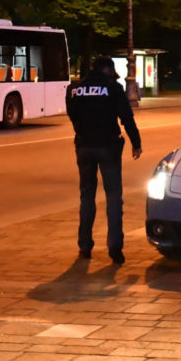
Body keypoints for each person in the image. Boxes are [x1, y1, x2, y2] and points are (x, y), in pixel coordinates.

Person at [66, 57, 142, 264]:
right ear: (107, 69)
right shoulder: (113, 88)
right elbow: (126, 117)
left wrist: (83, 130)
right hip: (108, 146)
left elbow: (72, 115)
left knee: (86, 196)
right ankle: (115, 248)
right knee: (114, 196)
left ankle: (84, 246)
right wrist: (136, 142)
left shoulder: (74, 89)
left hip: (83, 146)